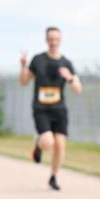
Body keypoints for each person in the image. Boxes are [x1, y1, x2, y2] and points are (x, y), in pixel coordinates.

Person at [19, 26, 82, 190]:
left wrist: (69, 78)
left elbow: (78, 88)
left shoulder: (66, 63)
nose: (53, 42)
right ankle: (39, 146)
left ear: (60, 40)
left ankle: (53, 177)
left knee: (60, 145)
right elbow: (24, 82)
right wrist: (23, 66)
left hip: (59, 109)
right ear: (46, 40)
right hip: (41, 109)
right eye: (51, 39)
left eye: (56, 39)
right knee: (48, 142)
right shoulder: (38, 60)